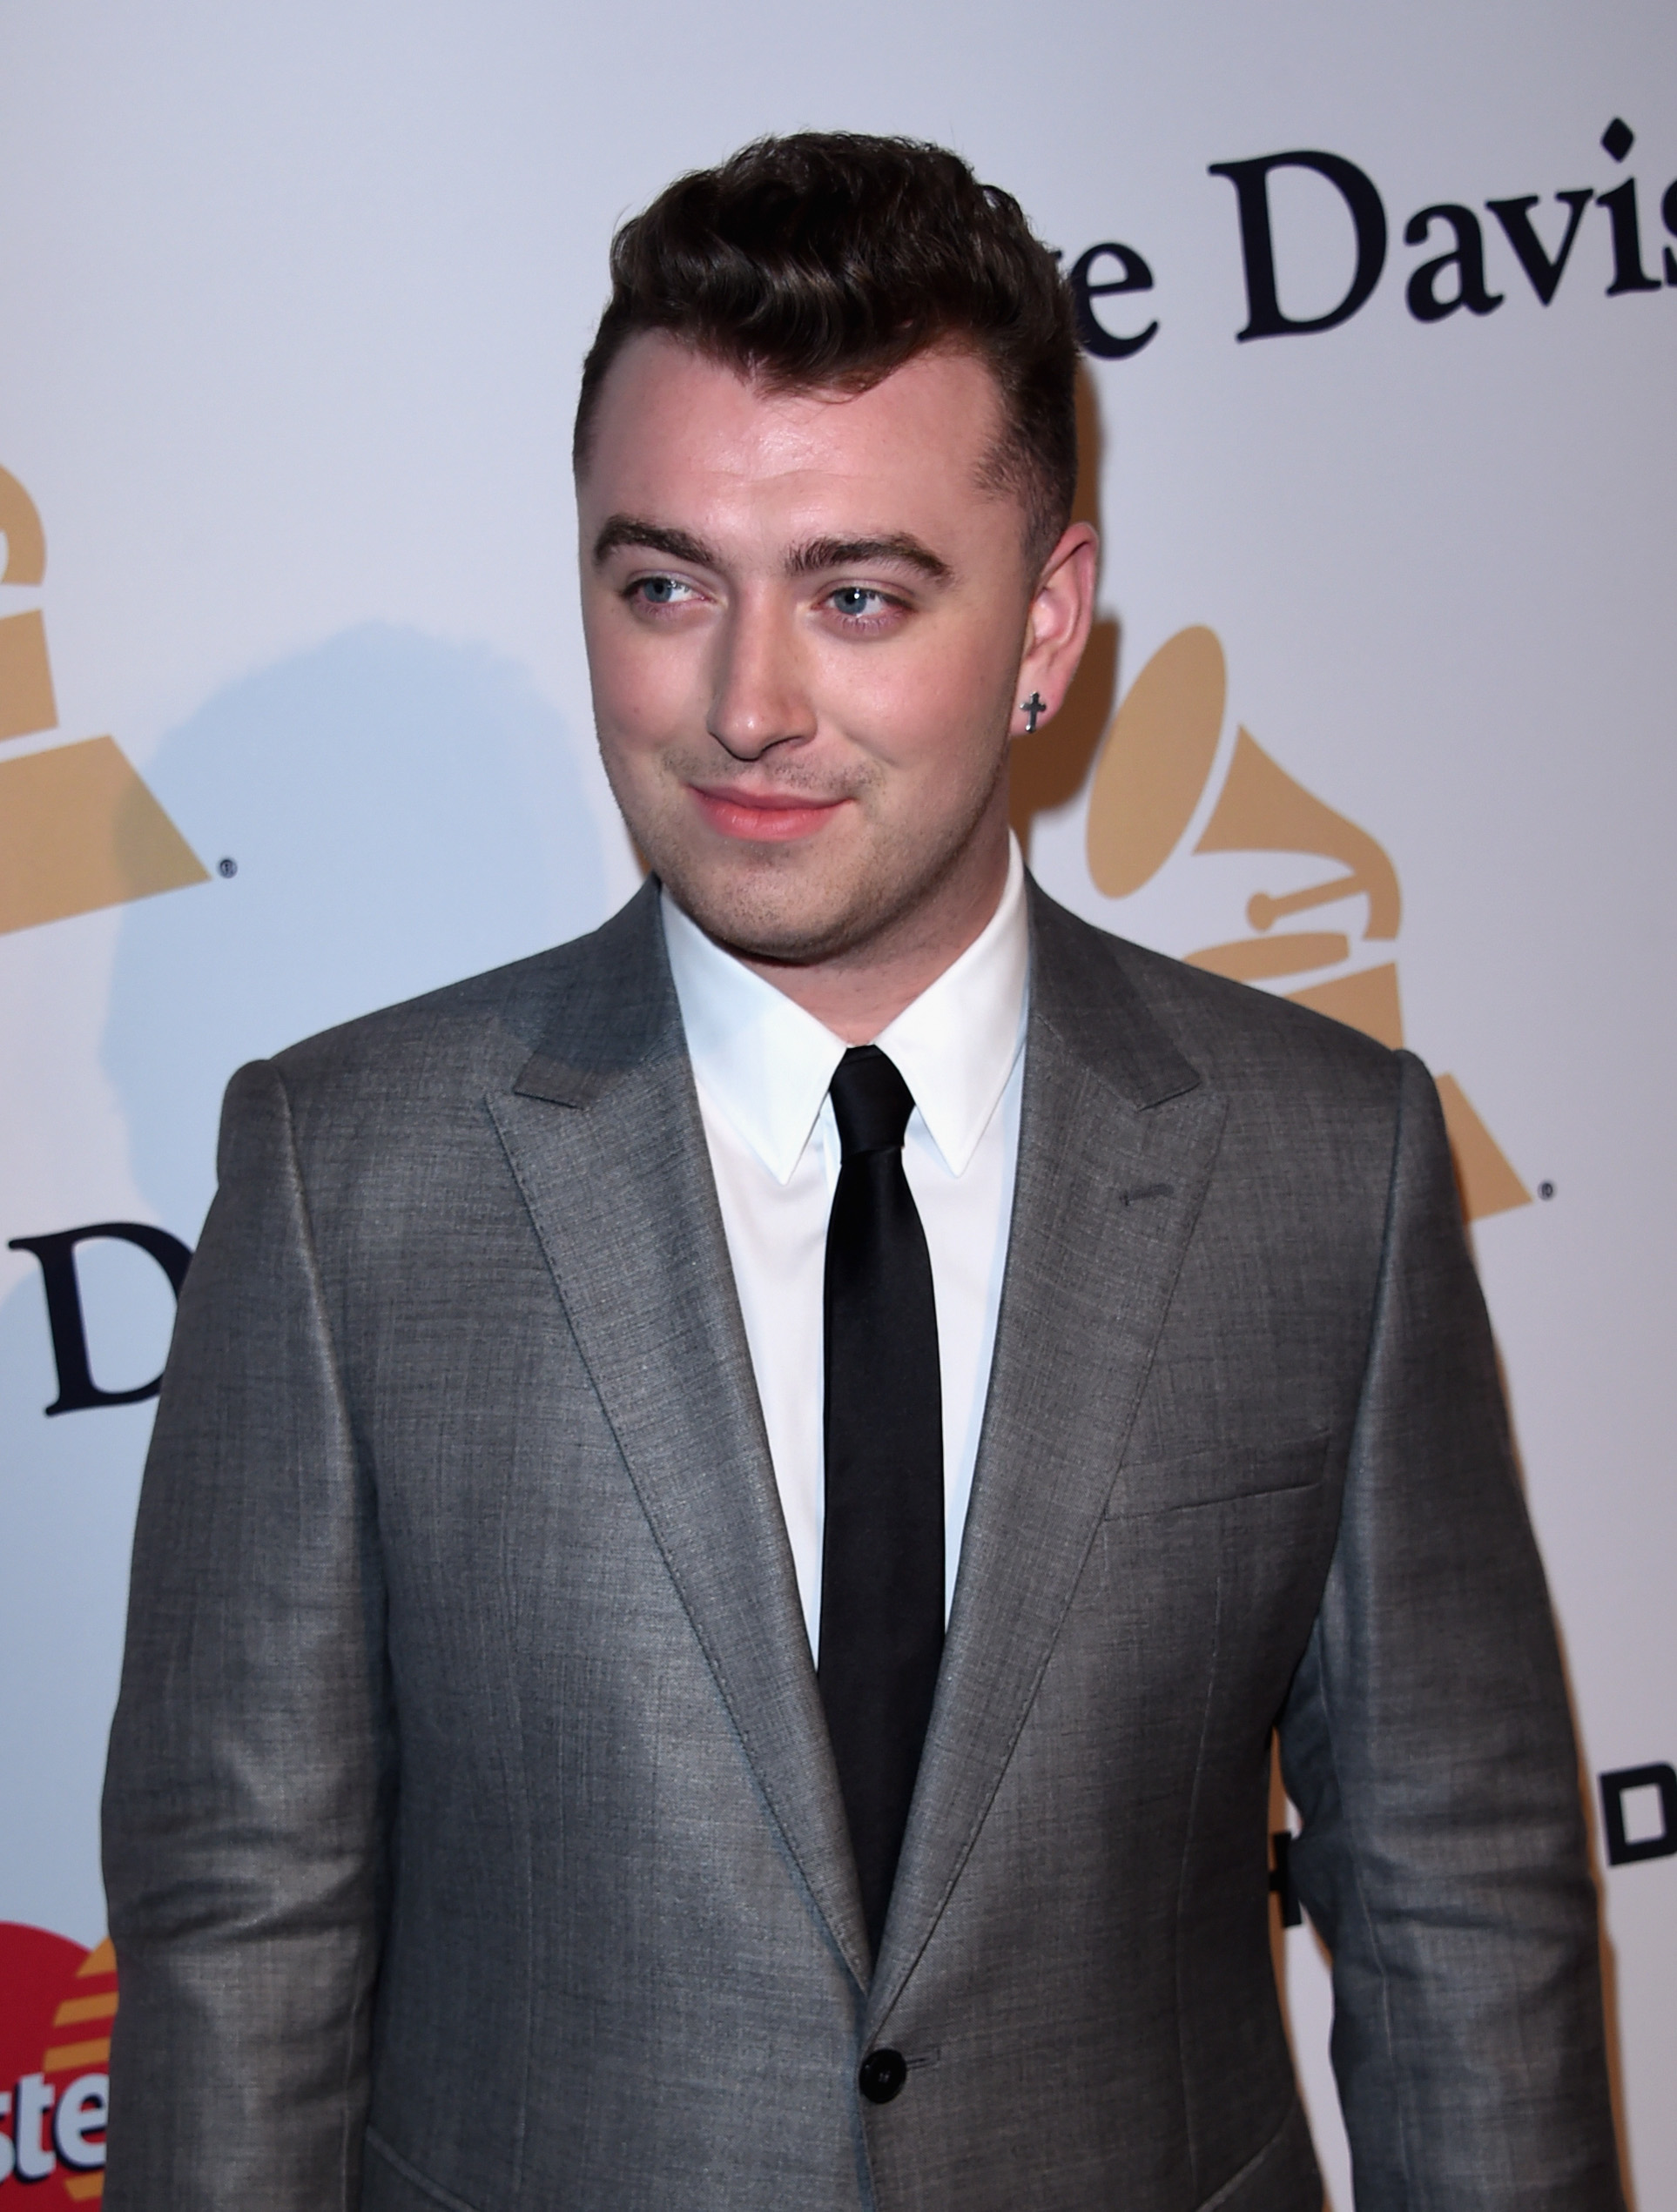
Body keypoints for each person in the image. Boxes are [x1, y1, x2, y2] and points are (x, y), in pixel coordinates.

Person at [102, 133, 1622, 2212]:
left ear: (1047, 624)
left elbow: (1462, 1905)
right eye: (664, 586)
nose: (747, 703)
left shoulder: (1321, 1166)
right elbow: (241, 1931)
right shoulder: (343, 1179)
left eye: (858, 595)